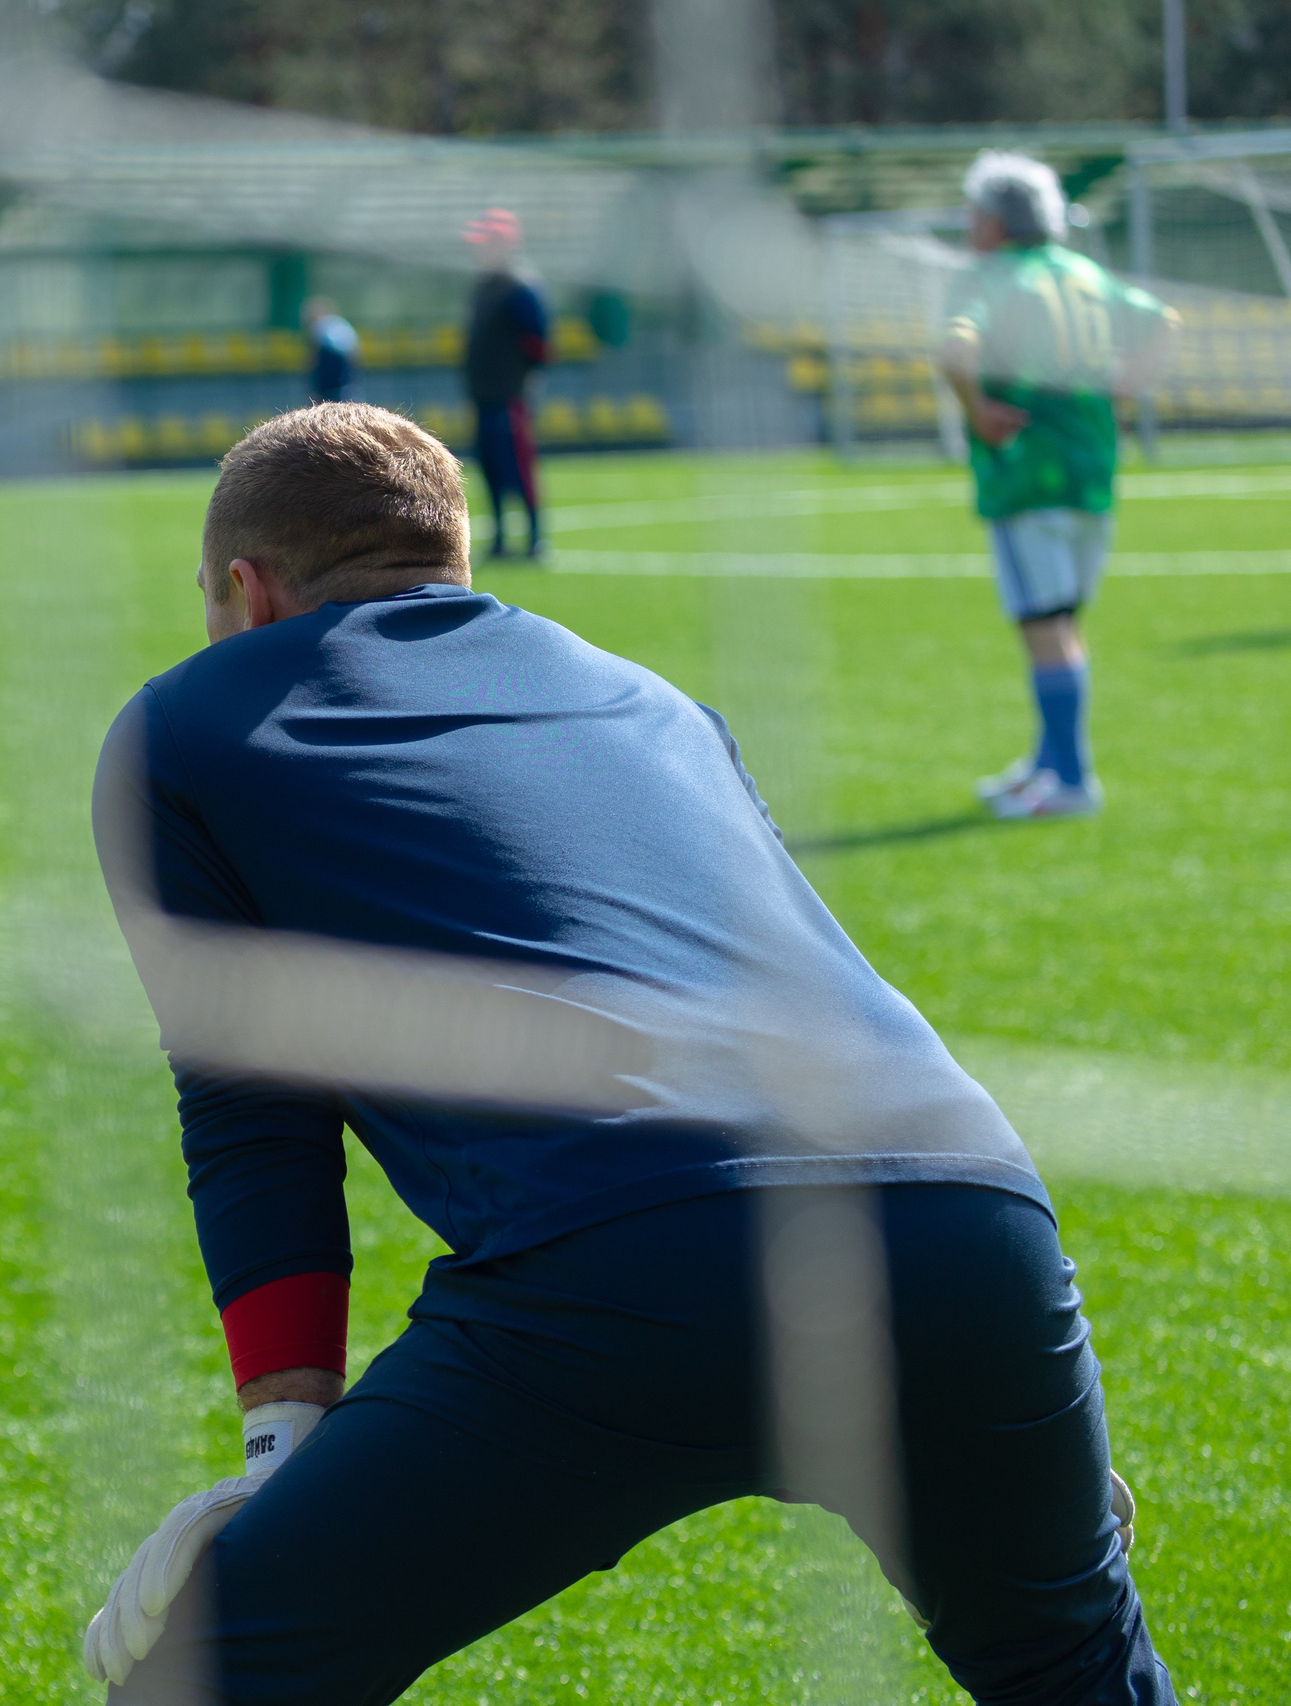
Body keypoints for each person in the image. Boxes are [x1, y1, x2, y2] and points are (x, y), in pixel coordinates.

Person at [82, 403, 1171, 1705]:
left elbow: (251, 1111)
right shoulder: (657, 696)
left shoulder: (183, 726)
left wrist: (281, 1460)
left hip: (626, 1262)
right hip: (971, 1221)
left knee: (200, 1679)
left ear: (246, 593)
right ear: (455, 566)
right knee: (1082, 1678)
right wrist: (1025, 1421)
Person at [940, 151, 1178, 821]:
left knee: (1046, 628)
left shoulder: (989, 277)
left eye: (973, 210)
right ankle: (1048, 762)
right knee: (1061, 621)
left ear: (993, 220)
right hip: (1091, 469)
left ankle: (1071, 779)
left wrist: (977, 411)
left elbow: (954, 352)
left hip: (1027, 473)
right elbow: (1165, 321)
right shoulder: (1084, 272)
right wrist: (1126, 385)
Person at [461, 208, 551, 560]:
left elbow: (538, 343)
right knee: (490, 467)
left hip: (510, 396)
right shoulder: (484, 286)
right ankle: (500, 536)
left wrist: (520, 381)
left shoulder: (520, 287)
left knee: (518, 466)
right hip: (483, 396)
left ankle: (534, 538)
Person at [299, 297, 358, 403]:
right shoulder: (341, 323)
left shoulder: (318, 327)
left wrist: (315, 388)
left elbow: (315, 359)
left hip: (329, 366)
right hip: (346, 373)